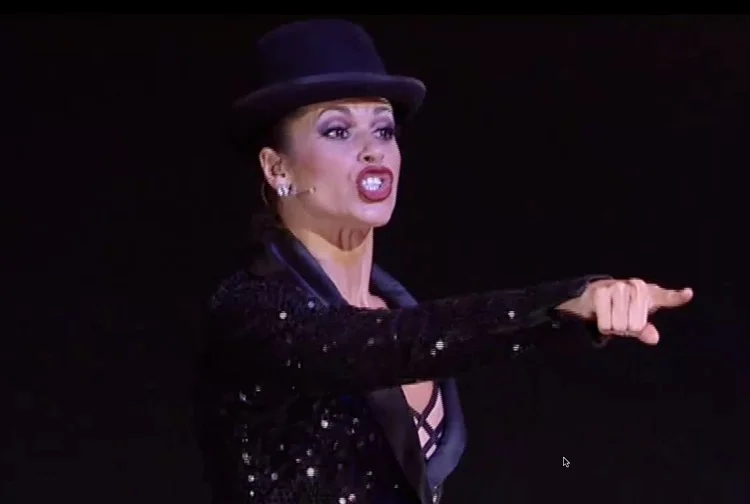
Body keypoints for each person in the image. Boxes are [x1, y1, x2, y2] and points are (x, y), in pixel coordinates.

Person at [193, 19, 694, 504]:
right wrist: (565, 303)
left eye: (384, 130)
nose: (372, 151)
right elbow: (391, 345)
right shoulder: (249, 311)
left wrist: (585, 304)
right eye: (338, 131)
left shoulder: (397, 306)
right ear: (277, 167)